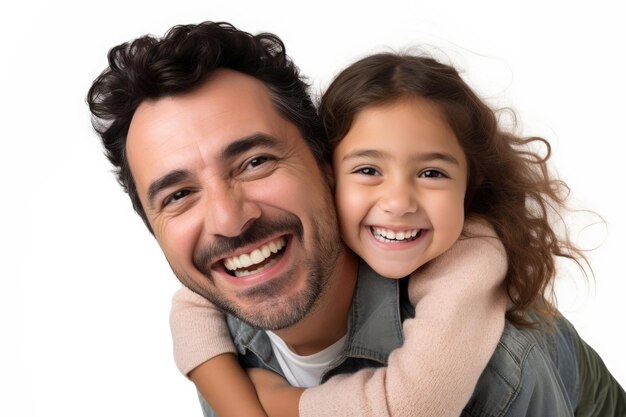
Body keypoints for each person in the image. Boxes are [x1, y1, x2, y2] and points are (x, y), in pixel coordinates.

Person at [86, 21, 625, 417]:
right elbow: (190, 313)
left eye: (255, 162)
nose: (228, 220)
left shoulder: (492, 358)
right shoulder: (227, 325)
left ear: (325, 165)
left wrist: (288, 407)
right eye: (178, 195)